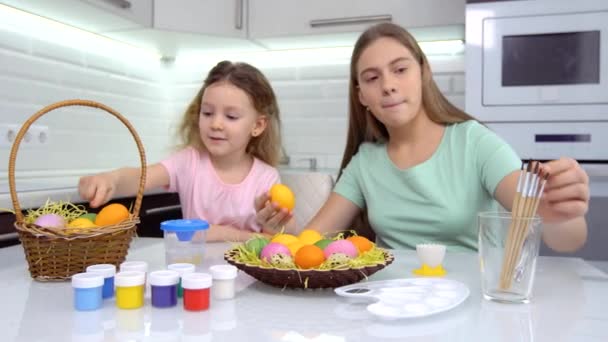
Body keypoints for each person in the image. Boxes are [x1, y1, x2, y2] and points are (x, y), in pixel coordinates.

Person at [255, 23, 589, 252]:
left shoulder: (475, 143)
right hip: (391, 307)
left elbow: (567, 239)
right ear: (362, 96)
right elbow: (312, 241)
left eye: (400, 69)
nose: (388, 85)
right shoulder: (365, 163)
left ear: (424, 72)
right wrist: (278, 232)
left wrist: (560, 211)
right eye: (372, 78)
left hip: (472, 307)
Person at [79, 61, 294, 242]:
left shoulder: (266, 177)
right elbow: (141, 177)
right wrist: (112, 179)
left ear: (257, 125)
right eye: (208, 112)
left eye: (231, 117)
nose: (216, 124)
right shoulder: (189, 161)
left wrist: (266, 227)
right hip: (194, 271)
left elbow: (273, 243)